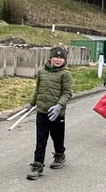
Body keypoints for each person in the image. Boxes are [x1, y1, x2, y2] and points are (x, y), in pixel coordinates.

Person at [25, 45, 73, 180]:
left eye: (61, 58)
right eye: (55, 57)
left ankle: (59, 155)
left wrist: (59, 106)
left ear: (64, 60)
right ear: (50, 58)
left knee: (57, 138)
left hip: (57, 113)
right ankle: (37, 164)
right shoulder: (41, 72)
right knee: (41, 139)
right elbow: (37, 89)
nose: (58, 60)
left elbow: (67, 93)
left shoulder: (65, 74)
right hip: (42, 110)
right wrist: (31, 103)